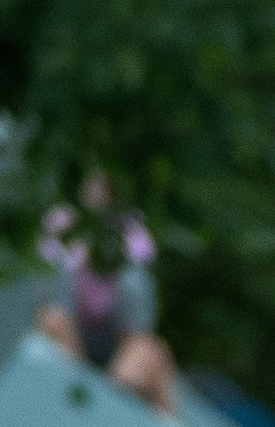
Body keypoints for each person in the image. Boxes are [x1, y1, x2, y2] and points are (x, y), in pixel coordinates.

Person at [36, 174, 178, 414]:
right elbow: (51, 301)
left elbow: (138, 329)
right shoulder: (62, 226)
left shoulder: (135, 239)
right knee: (52, 319)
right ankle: (76, 396)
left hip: (116, 349)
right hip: (72, 342)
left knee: (150, 351)